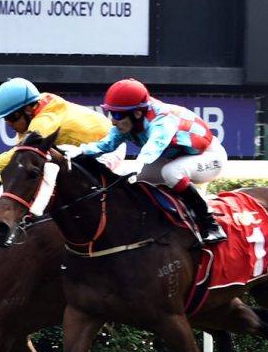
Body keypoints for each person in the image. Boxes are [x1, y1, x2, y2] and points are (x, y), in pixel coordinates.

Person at [60, 78, 228, 245]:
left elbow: (155, 145)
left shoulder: (162, 120)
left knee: (172, 172)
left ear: (137, 113)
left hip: (209, 157)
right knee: (132, 180)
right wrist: (80, 150)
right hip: (175, 157)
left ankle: (211, 224)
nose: (113, 121)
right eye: (111, 113)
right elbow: (107, 145)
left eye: (117, 115)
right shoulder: (129, 121)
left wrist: (138, 164)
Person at [0, 77, 124, 177]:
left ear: (27, 110)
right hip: (81, 149)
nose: (9, 123)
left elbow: (19, 155)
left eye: (12, 117)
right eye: (5, 119)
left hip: (107, 150)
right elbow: (17, 164)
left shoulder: (44, 120)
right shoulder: (33, 110)